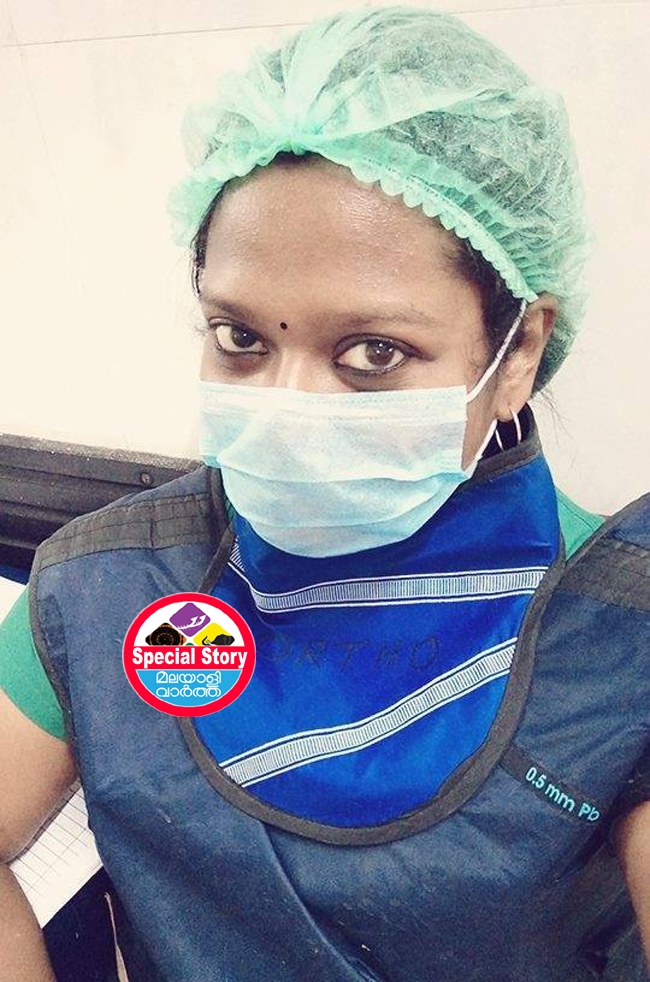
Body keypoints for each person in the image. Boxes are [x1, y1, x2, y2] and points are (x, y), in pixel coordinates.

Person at [1, 5, 648, 981]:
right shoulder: (103, 587)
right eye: (240, 339)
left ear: (515, 351)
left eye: (372, 352)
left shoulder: (619, 627)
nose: (285, 410)